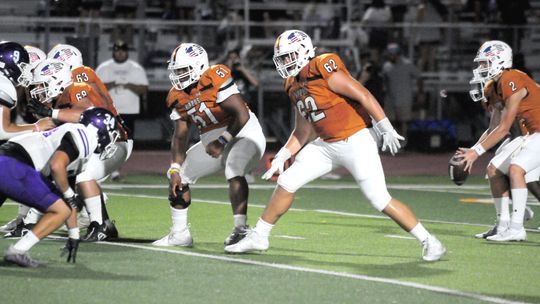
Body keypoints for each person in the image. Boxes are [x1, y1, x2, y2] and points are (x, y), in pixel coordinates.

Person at [225, 30, 445, 262]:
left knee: (379, 198)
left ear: (304, 52)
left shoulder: (322, 65)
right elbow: (303, 130)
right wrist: (283, 154)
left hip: (356, 140)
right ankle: (260, 236)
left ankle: (430, 241)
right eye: (282, 58)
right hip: (326, 145)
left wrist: (385, 126)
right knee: (287, 181)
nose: (284, 63)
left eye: (289, 56)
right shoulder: (292, 83)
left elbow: (363, 94)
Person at [153, 43, 266, 248]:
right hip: (210, 139)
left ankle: (241, 229)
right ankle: (180, 234)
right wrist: (175, 168)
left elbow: (242, 113)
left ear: (198, 66)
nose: (177, 75)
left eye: (182, 70)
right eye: (175, 70)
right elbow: (180, 136)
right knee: (178, 177)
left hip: (243, 131)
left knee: (234, 166)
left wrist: (222, 141)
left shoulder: (215, 76)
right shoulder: (176, 95)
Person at [1, 107, 119, 267]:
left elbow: (67, 197)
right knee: (60, 210)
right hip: (15, 165)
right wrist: (69, 194)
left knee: (63, 206)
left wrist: (74, 234)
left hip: (7, 159)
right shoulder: (85, 136)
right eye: (110, 132)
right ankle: (17, 251)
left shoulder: (75, 136)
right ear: (99, 128)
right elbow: (56, 166)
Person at [27, 59, 129, 242]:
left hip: (114, 144)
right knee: (65, 173)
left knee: (83, 174)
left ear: (56, 81)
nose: (39, 90)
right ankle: (105, 224)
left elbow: (84, 116)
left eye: (42, 85)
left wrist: (52, 114)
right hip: (98, 147)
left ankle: (99, 226)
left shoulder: (76, 89)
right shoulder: (60, 100)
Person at [459, 40, 540, 241]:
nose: (480, 68)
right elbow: (494, 128)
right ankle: (502, 225)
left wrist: (475, 153)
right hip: (530, 134)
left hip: (535, 132)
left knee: (517, 169)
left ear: (499, 60)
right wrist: (473, 149)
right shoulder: (494, 86)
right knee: (494, 169)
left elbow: (504, 128)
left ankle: (517, 228)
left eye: (485, 63)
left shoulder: (511, 77)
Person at [0, 42, 55, 235]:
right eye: (22, 66)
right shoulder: (4, 85)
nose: (25, 72)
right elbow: (3, 130)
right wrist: (36, 127)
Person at [96, 40, 147, 181]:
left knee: (125, 141)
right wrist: (111, 85)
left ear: (127, 52)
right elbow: (94, 88)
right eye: (117, 50)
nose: (120, 53)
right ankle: (107, 170)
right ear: (113, 52)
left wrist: (130, 86)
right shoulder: (104, 68)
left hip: (130, 110)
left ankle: (116, 169)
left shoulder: (135, 68)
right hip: (109, 110)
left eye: (122, 50)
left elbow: (144, 88)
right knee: (107, 140)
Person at [382, 43, 423, 139]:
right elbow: (385, 80)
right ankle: (392, 141)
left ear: (398, 54)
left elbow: (419, 77)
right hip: (390, 98)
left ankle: (404, 140)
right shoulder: (386, 66)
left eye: (393, 54)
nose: (391, 56)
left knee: (403, 121)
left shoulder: (407, 64)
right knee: (389, 120)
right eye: (390, 54)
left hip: (404, 97)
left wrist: (420, 93)